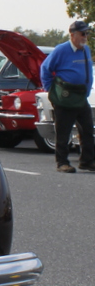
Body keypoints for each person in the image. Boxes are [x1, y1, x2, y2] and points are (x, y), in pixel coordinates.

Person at [40, 20, 95, 173]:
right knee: (63, 131)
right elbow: (45, 68)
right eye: (82, 34)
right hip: (65, 97)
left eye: (87, 34)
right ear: (72, 35)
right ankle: (62, 162)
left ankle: (87, 161)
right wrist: (50, 90)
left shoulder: (86, 50)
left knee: (88, 130)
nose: (85, 37)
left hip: (81, 96)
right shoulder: (61, 50)